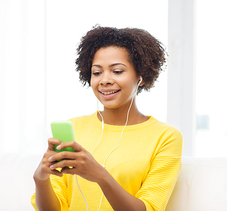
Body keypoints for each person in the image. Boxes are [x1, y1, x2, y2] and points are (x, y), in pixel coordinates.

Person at [31, 26, 183, 211]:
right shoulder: (74, 127)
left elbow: (147, 208)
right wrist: (40, 178)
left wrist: (100, 176)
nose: (105, 80)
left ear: (141, 77)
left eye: (117, 71)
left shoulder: (165, 137)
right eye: (97, 72)